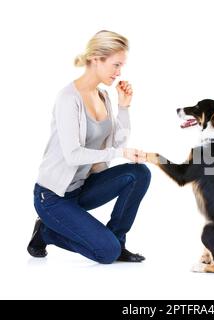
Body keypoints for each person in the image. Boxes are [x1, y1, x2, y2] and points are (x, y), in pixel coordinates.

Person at [27, 30, 151, 264]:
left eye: (122, 66)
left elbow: (116, 144)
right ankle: (45, 232)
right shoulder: (68, 98)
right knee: (106, 254)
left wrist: (124, 108)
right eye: (115, 65)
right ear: (96, 58)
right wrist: (121, 153)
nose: (119, 72)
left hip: (81, 189)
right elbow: (74, 155)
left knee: (139, 173)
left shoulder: (102, 95)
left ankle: (116, 240)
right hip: (53, 197)